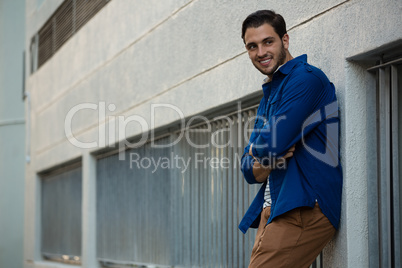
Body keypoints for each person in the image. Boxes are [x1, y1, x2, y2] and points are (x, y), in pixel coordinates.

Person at [238, 10, 343, 268]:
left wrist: (259, 151)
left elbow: (269, 146)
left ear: (285, 40)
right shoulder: (270, 94)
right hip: (276, 204)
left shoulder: (306, 80)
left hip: (304, 206)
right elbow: (248, 170)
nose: (260, 52)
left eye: (268, 42)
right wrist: (261, 153)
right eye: (252, 46)